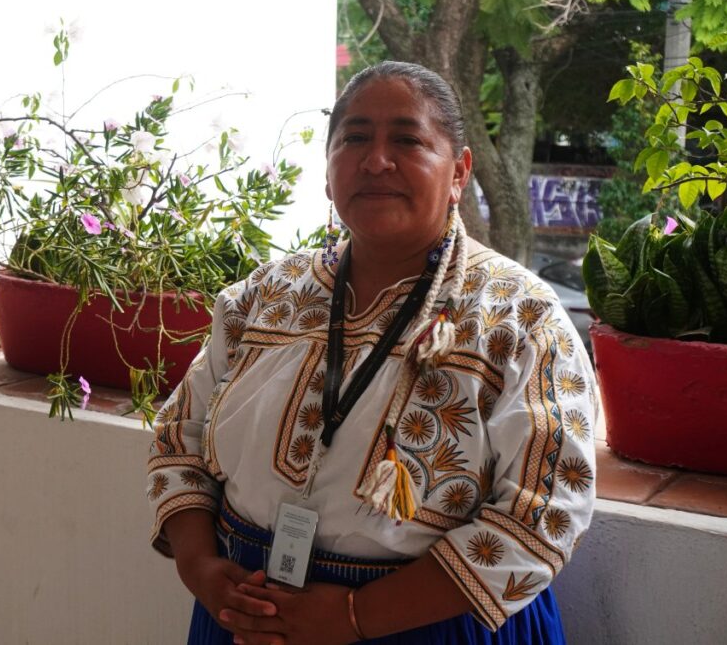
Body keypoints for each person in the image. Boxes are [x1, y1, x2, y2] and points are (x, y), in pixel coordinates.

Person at [146, 62, 598, 645]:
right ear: (329, 171)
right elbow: (176, 435)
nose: (376, 160)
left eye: (407, 139)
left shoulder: (520, 316)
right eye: (355, 137)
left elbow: (546, 512)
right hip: (247, 612)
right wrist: (203, 571)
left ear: (459, 171)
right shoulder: (262, 296)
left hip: (432, 625)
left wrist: (357, 616)